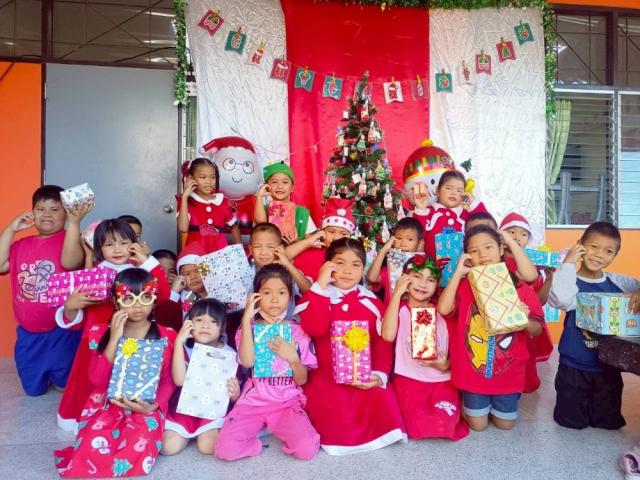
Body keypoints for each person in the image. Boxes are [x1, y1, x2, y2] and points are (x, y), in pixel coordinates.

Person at [54, 269, 176, 477]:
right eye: (128, 299)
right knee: (91, 448)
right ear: (116, 302)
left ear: (154, 300)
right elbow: (97, 379)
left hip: (146, 404)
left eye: (145, 297)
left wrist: (154, 406)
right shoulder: (100, 332)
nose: (138, 306)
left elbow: (168, 379)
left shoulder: (166, 335)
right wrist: (114, 338)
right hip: (107, 403)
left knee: (138, 447)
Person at [55, 219, 170, 431]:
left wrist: (147, 261)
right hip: (97, 343)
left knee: (133, 383)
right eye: (109, 244)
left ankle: (129, 418)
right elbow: (74, 318)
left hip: (136, 340)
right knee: (92, 382)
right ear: (99, 248)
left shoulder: (141, 272)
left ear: (134, 244)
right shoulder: (92, 274)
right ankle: (88, 419)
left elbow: (163, 295)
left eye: (123, 243)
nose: (117, 249)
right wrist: (70, 306)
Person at [298, 238, 406, 454]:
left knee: (381, 399)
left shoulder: (371, 302)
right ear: (327, 265)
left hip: (363, 374)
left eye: (356, 264)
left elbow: (382, 344)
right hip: (326, 377)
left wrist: (379, 375)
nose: (348, 271)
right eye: (340, 263)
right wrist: (320, 286)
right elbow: (315, 329)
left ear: (363, 268)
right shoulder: (317, 295)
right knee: (332, 410)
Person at [437, 225, 544, 432]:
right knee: (478, 426)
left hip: (508, 374)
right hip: (473, 374)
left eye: (488, 247)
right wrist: (458, 273)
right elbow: (443, 309)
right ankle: (474, 403)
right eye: (474, 250)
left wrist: (524, 321)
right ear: (468, 256)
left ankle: (499, 402)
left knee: (505, 425)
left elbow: (537, 329)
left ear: (501, 249)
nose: (482, 255)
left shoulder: (520, 288)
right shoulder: (464, 286)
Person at [215, 264, 320, 461]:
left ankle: (277, 426)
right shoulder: (248, 328)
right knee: (225, 450)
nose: (274, 299)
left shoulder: (298, 331)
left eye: (281, 292)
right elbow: (247, 362)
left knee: (306, 450)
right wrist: (246, 320)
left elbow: (302, 380)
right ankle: (258, 441)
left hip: (287, 403)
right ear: (256, 296)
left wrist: (293, 358)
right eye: (266, 292)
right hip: (252, 403)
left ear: (290, 296)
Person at [548, 221, 640, 430]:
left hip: (608, 368)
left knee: (607, 423)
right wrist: (568, 262)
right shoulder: (569, 279)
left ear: (615, 256)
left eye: (608, 251)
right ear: (580, 245)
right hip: (574, 366)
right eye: (594, 246)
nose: (599, 255)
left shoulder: (619, 282)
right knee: (571, 423)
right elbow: (561, 300)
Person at [0, 185, 83, 396]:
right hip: (29, 332)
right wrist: (11, 229)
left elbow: (71, 263)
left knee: (64, 385)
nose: (47, 214)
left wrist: (74, 223)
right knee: (33, 390)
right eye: (40, 209)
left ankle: (60, 377)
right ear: (32, 212)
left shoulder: (72, 239)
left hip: (62, 330)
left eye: (55, 209)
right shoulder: (21, 245)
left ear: (66, 213)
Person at [381, 255, 468, 441]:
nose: (423, 284)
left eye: (431, 280)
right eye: (417, 277)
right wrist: (397, 293)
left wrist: (446, 365)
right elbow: (387, 335)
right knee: (416, 425)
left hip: (442, 381)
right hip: (409, 381)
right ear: (406, 279)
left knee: (443, 423)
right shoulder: (398, 309)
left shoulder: (443, 311)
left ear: (437, 285)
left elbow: (461, 348)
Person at [162, 299, 240, 456]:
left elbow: (233, 392)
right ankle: (186, 433)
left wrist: (235, 393)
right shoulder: (184, 348)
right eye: (199, 320)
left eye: (213, 321)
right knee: (167, 448)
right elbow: (179, 380)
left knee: (208, 447)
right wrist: (178, 343)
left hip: (212, 410)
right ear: (189, 323)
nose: (205, 325)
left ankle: (208, 432)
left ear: (222, 327)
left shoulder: (228, 353)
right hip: (184, 409)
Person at [499, 212, 554, 393]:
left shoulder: (531, 266)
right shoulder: (495, 261)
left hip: (525, 324)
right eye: (512, 232)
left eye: (523, 234)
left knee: (525, 358)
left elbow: (539, 301)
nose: (517, 237)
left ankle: (520, 389)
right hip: (501, 323)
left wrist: (549, 279)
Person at [411, 170, 488, 257]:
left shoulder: (466, 216)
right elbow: (415, 236)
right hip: (430, 264)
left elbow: (487, 227)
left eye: (459, 191)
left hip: (462, 265)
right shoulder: (427, 212)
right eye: (448, 188)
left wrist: (474, 205)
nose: (454, 193)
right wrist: (421, 209)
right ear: (438, 190)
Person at [177, 158, 241, 253]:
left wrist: (239, 249)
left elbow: (234, 227)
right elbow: (183, 228)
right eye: (203, 177)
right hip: (195, 252)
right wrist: (185, 197)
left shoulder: (222, 201)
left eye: (213, 177)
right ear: (191, 178)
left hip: (219, 251)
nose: (209, 182)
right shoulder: (186, 202)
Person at [287, 198, 355, 282]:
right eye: (331, 232)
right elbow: (283, 257)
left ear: (350, 237)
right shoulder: (309, 253)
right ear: (322, 232)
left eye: (343, 234)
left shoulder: (354, 257)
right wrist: (308, 241)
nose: (336, 238)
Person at [254, 162, 316, 242]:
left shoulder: (301, 212)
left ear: (292, 187)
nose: (280, 186)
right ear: (267, 187)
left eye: (285, 182)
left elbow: (310, 241)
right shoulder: (261, 210)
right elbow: (261, 222)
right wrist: (259, 196)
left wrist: (296, 242)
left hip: (295, 249)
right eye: (274, 182)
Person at [366, 217, 424, 304]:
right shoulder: (391, 268)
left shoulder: (425, 267)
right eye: (399, 238)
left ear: (420, 244)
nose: (403, 244)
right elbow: (372, 278)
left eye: (410, 239)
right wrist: (383, 251)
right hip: (390, 311)